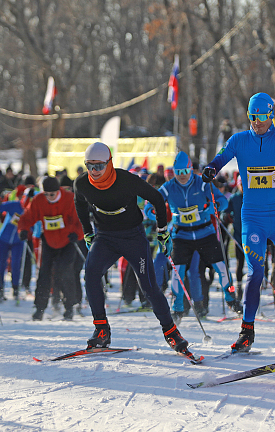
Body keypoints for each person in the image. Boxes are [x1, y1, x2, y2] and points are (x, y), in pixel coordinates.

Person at [202, 92, 275, 352]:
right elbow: (220, 158)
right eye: (253, 117)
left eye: (262, 117)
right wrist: (211, 168)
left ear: (270, 116)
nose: (257, 122)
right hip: (252, 218)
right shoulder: (240, 140)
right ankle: (247, 332)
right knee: (255, 273)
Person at [74, 142, 193, 355]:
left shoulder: (125, 180)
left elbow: (156, 198)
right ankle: (101, 330)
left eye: (99, 166)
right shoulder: (82, 184)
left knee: (148, 287)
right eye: (89, 166)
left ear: (109, 163)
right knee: (90, 274)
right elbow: (79, 203)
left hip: (132, 237)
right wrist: (87, 231)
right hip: (105, 238)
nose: (94, 172)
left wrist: (163, 230)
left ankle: (171, 332)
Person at [145, 151, 241, 321]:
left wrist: (213, 207)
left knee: (221, 267)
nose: (182, 176)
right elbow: (151, 205)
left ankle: (231, 298)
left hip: (205, 232)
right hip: (181, 235)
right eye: (178, 172)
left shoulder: (201, 183)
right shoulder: (169, 187)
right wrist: (154, 213)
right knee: (178, 272)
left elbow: (223, 201)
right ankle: (178, 307)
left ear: (191, 169)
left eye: (185, 171)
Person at [18, 176, 83, 321]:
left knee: (64, 272)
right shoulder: (39, 200)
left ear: (58, 191)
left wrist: (77, 234)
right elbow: (27, 217)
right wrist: (23, 229)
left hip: (68, 242)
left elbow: (81, 220)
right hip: (49, 241)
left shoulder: (69, 199)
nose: (48, 197)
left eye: (51, 194)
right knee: (44, 274)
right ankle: (39, 308)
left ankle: (69, 307)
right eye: (45, 194)